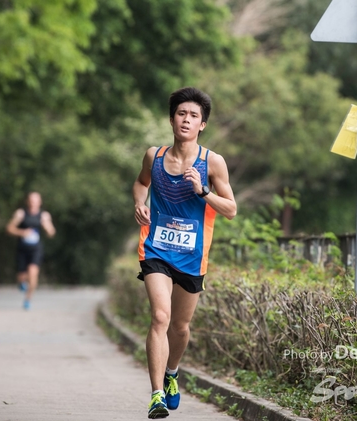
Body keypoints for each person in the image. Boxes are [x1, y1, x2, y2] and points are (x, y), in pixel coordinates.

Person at [133, 87, 237, 419]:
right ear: (171, 119)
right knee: (160, 317)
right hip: (156, 249)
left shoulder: (212, 162)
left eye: (193, 116)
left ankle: (172, 372)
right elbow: (141, 183)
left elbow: (231, 209)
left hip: (192, 255)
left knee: (179, 326)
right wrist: (139, 202)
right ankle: (156, 395)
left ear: (202, 124)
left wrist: (202, 190)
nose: (186, 120)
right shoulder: (154, 156)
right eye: (181, 113)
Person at [6, 191, 56, 310]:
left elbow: (52, 233)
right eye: (31, 201)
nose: (33, 203)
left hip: (36, 249)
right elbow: (9, 228)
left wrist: (47, 226)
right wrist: (22, 232)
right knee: (22, 277)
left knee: (33, 273)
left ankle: (28, 299)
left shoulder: (44, 215)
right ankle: (22, 282)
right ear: (27, 202)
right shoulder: (21, 214)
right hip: (22, 249)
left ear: (40, 202)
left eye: (36, 201)